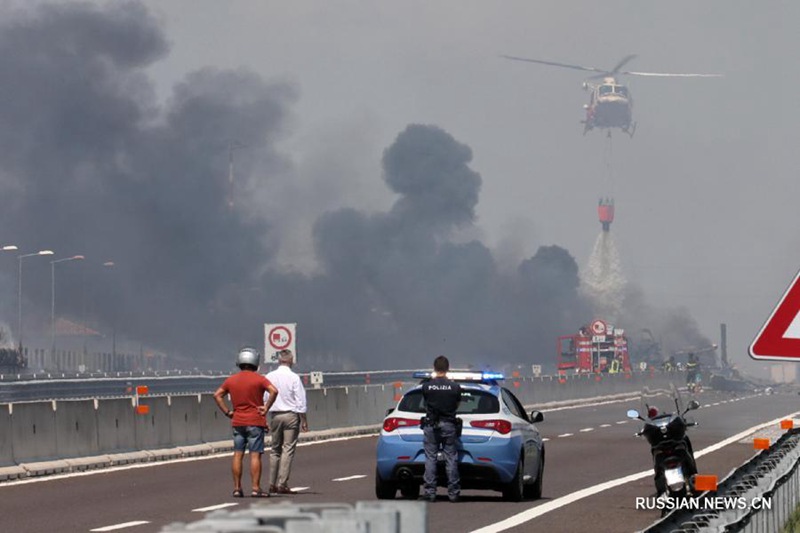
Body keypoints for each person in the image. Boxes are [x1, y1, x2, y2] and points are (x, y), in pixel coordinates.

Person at [214, 347, 279, 498]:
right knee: (255, 455)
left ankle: (237, 488)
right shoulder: (259, 379)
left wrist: (227, 412)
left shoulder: (231, 380)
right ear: (255, 362)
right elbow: (274, 391)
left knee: (238, 454)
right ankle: (256, 488)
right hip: (255, 422)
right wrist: (266, 407)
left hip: (238, 421)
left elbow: (217, 395)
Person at [265, 349, 308, 495]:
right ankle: (282, 483)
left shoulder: (270, 376)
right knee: (288, 449)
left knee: (274, 449)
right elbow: (300, 400)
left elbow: (265, 398)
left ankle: (271, 483)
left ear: (278, 360)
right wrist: (304, 420)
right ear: (291, 361)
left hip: (275, 415)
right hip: (290, 415)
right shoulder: (294, 377)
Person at [421, 355, 462, 503]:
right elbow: (457, 405)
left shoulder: (427, 386)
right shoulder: (455, 387)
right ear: (447, 368)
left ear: (434, 368)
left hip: (431, 425)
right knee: (451, 458)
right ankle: (453, 493)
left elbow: (425, 403)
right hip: (449, 424)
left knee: (430, 458)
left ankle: (430, 492)